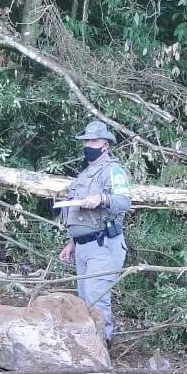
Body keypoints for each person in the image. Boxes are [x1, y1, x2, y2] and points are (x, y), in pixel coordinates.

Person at [57, 120, 132, 340]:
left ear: (105, 144)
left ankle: (103, 347)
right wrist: (71, 242)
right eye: (86, 141)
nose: (89, 144)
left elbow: (125, 201)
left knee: (97, 300)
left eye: (94, 140)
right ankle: (90, 347)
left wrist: (102, 198)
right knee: (84, 301)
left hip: (104, 245)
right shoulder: (85, 174)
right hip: (82, 247)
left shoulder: (113, 171)